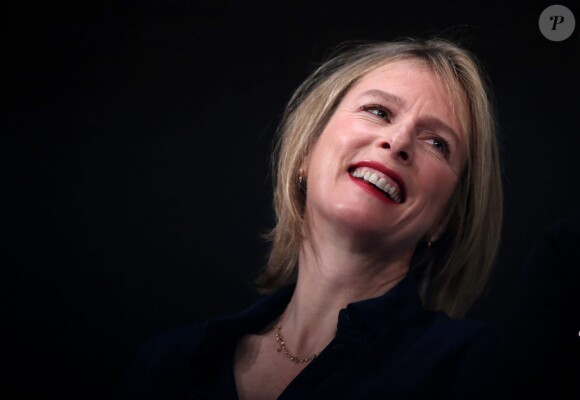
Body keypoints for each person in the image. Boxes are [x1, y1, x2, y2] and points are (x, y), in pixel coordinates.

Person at [114, 37, 503, 399]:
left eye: (437, 143)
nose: (398, 142)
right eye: (378, 111)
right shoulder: (168, 365)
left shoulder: (479, 367)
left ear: (445, 218)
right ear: (305, 154)